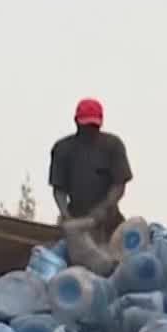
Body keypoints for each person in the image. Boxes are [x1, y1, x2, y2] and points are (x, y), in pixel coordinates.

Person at [48, 98, 133, 242]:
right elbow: (59, 189)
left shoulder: (113, 145)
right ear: (76, 122)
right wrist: (66, 215)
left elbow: (119, 184)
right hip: (75, 218)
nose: (89, 130)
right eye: (86, 125)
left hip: (110, 222)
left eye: (93, 125)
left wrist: (103, 209)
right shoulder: (63, 148)